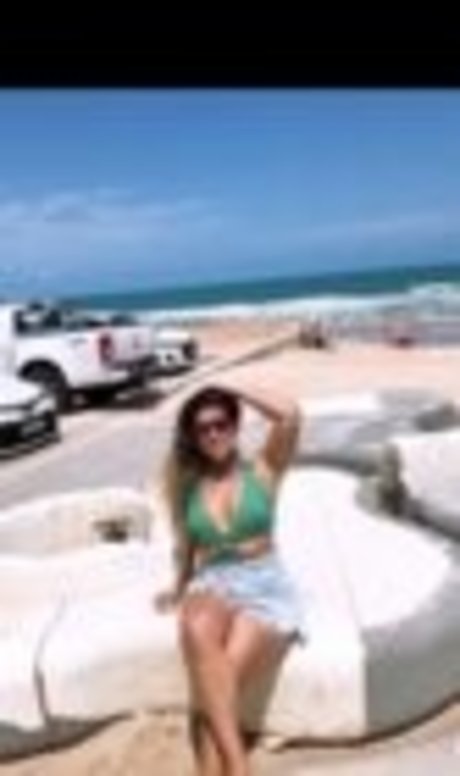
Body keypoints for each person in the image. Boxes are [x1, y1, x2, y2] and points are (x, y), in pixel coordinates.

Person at [154, 376, 307, 776]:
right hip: (214, 582)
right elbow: (185, 546)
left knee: (219, 688)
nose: (213, 434)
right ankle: (239, 766)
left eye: (221, 423)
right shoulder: (187, 487)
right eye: (203, 428)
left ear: (235, 426)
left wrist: (229, 385)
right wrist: (177, 586)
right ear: (193, 436)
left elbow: (290, 414)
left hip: (263, 586)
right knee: (194, 624)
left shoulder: (264, 469)